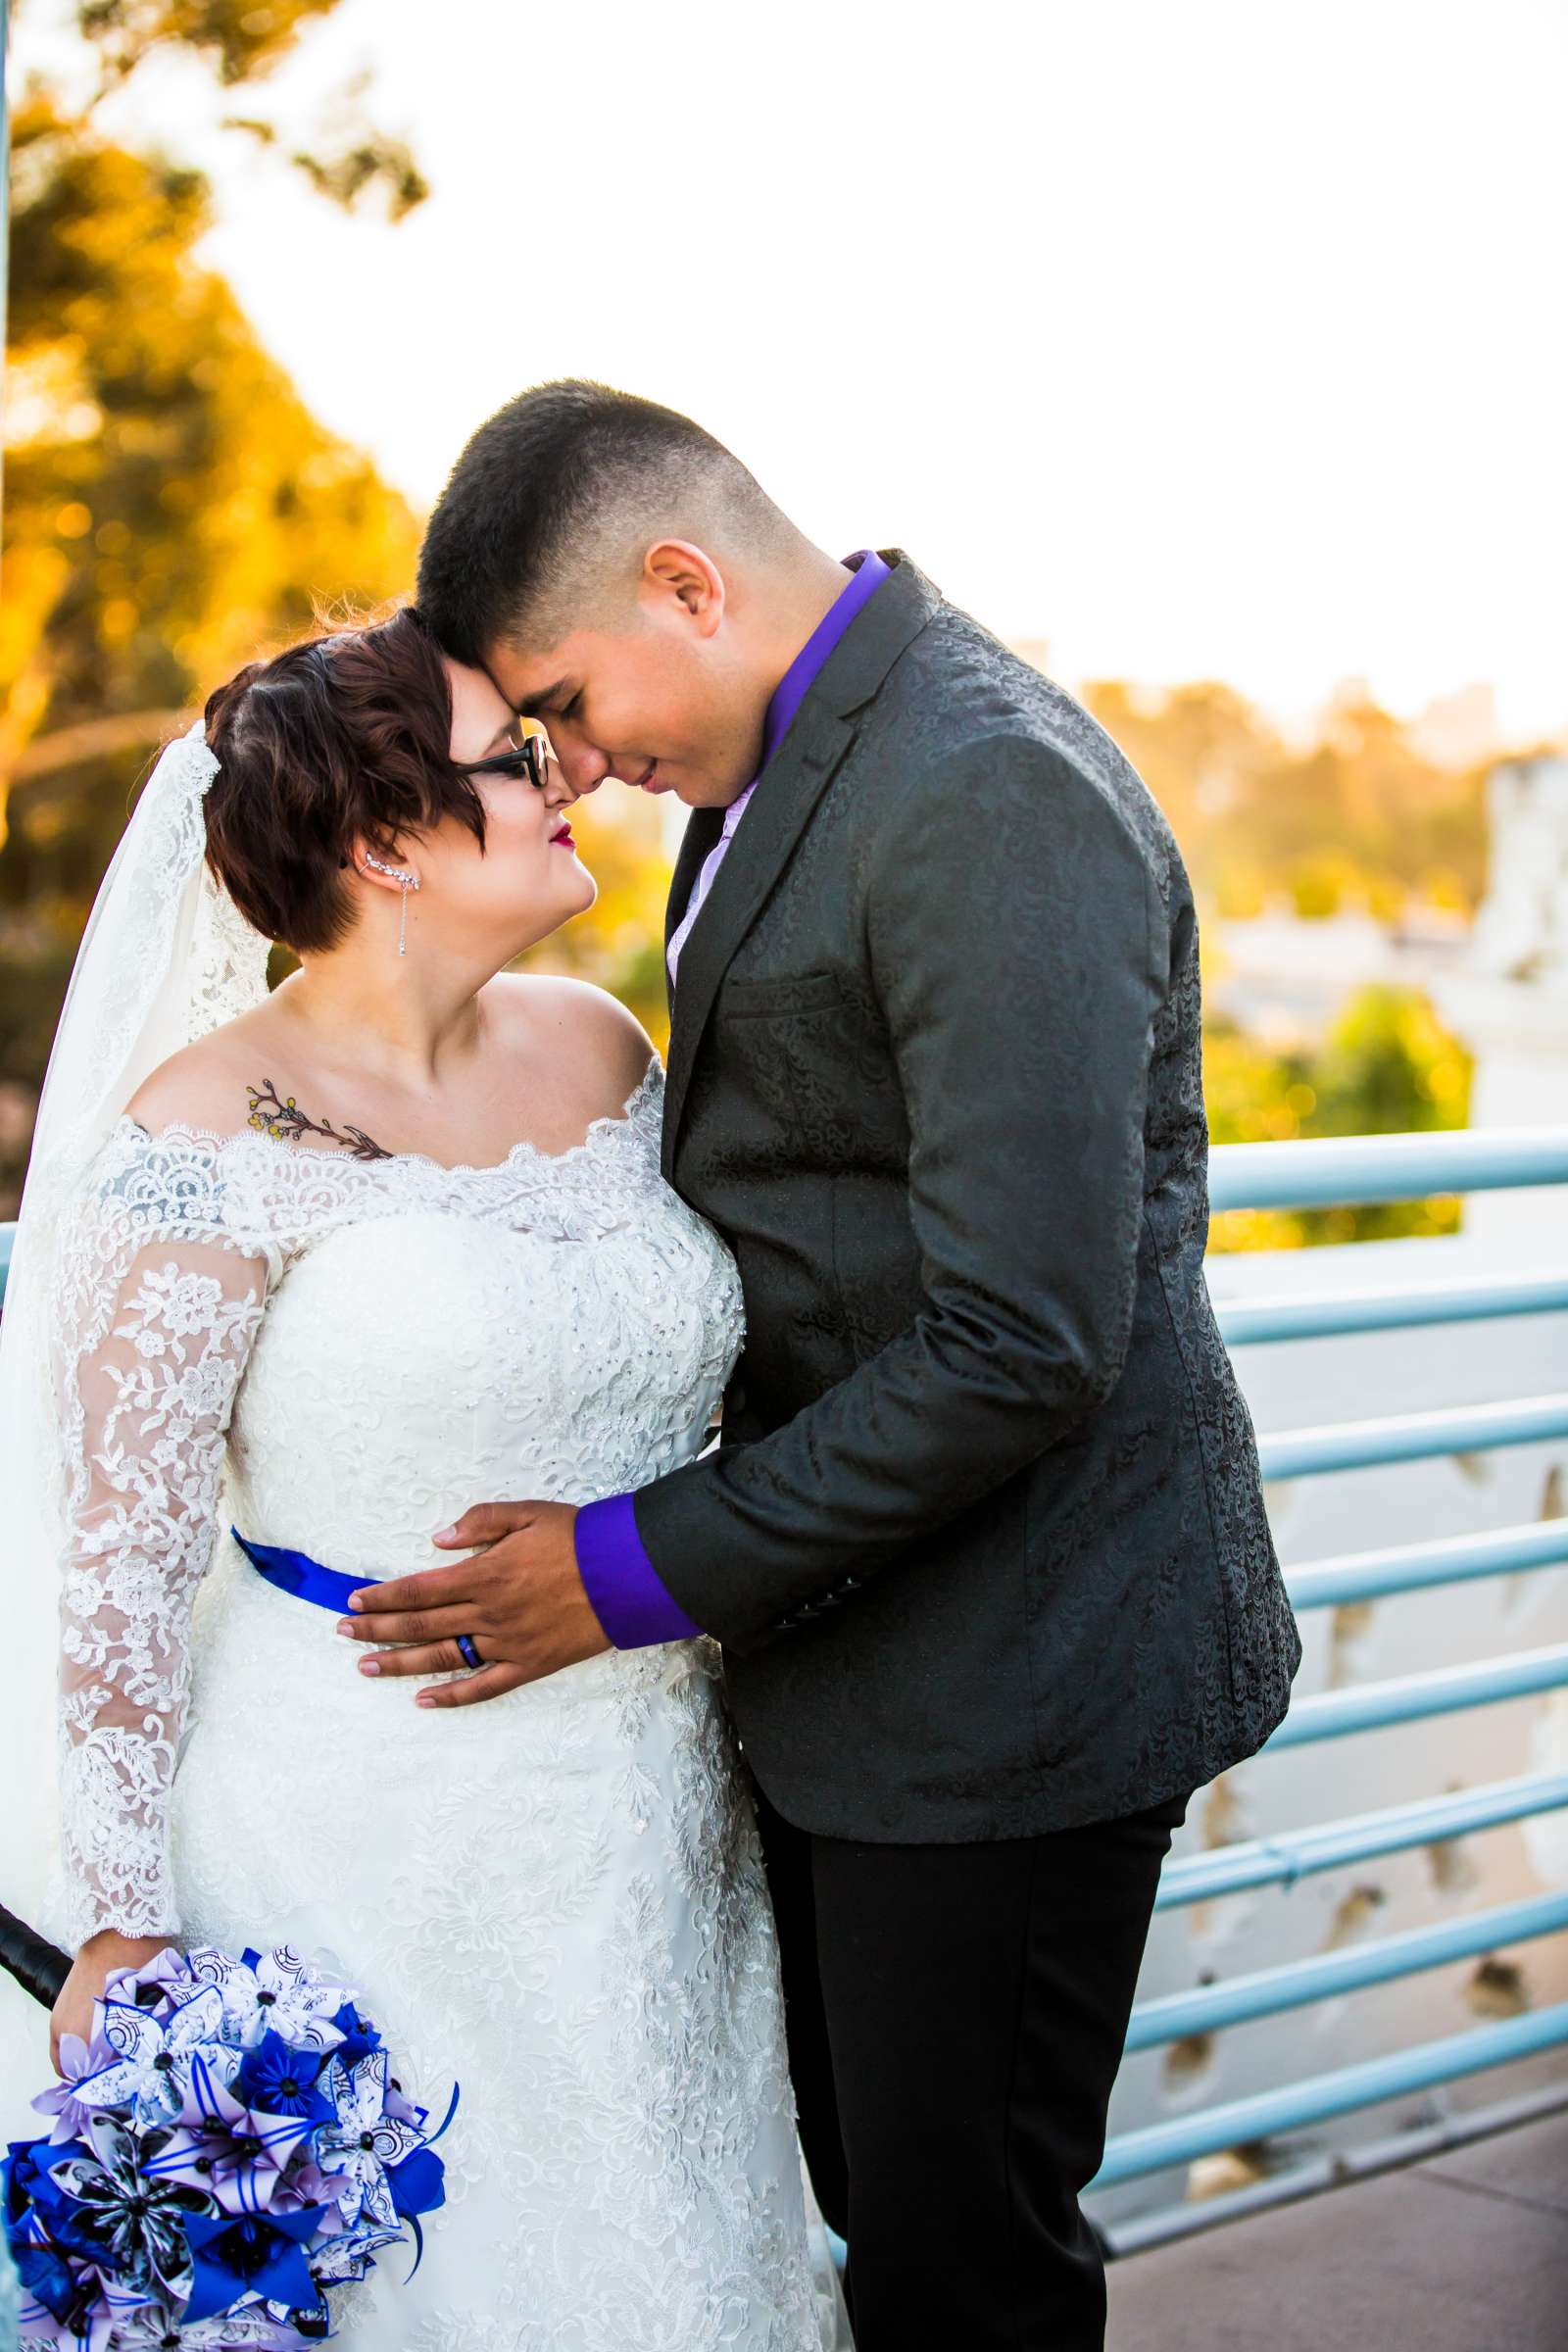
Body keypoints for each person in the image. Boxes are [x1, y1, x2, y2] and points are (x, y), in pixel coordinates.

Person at [356, 381, 1307, 2351]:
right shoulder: (779, 779)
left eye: (557, 701)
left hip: (1020, 1678)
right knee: (879, 2211)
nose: (571, 764)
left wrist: (617, 1570)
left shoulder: (977, 787)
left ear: (682, 584)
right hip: (860, 1659)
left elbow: (1016, 1336)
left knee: (964, 2266)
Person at [0, 610, 849, 2349]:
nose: (567, 776)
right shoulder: (201, 1142)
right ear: (387, 844)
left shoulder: (606, 1049)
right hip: (368, 1834)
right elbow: (123, 1567)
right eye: (514, 758)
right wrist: (122, 1925)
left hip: (661, 1807)